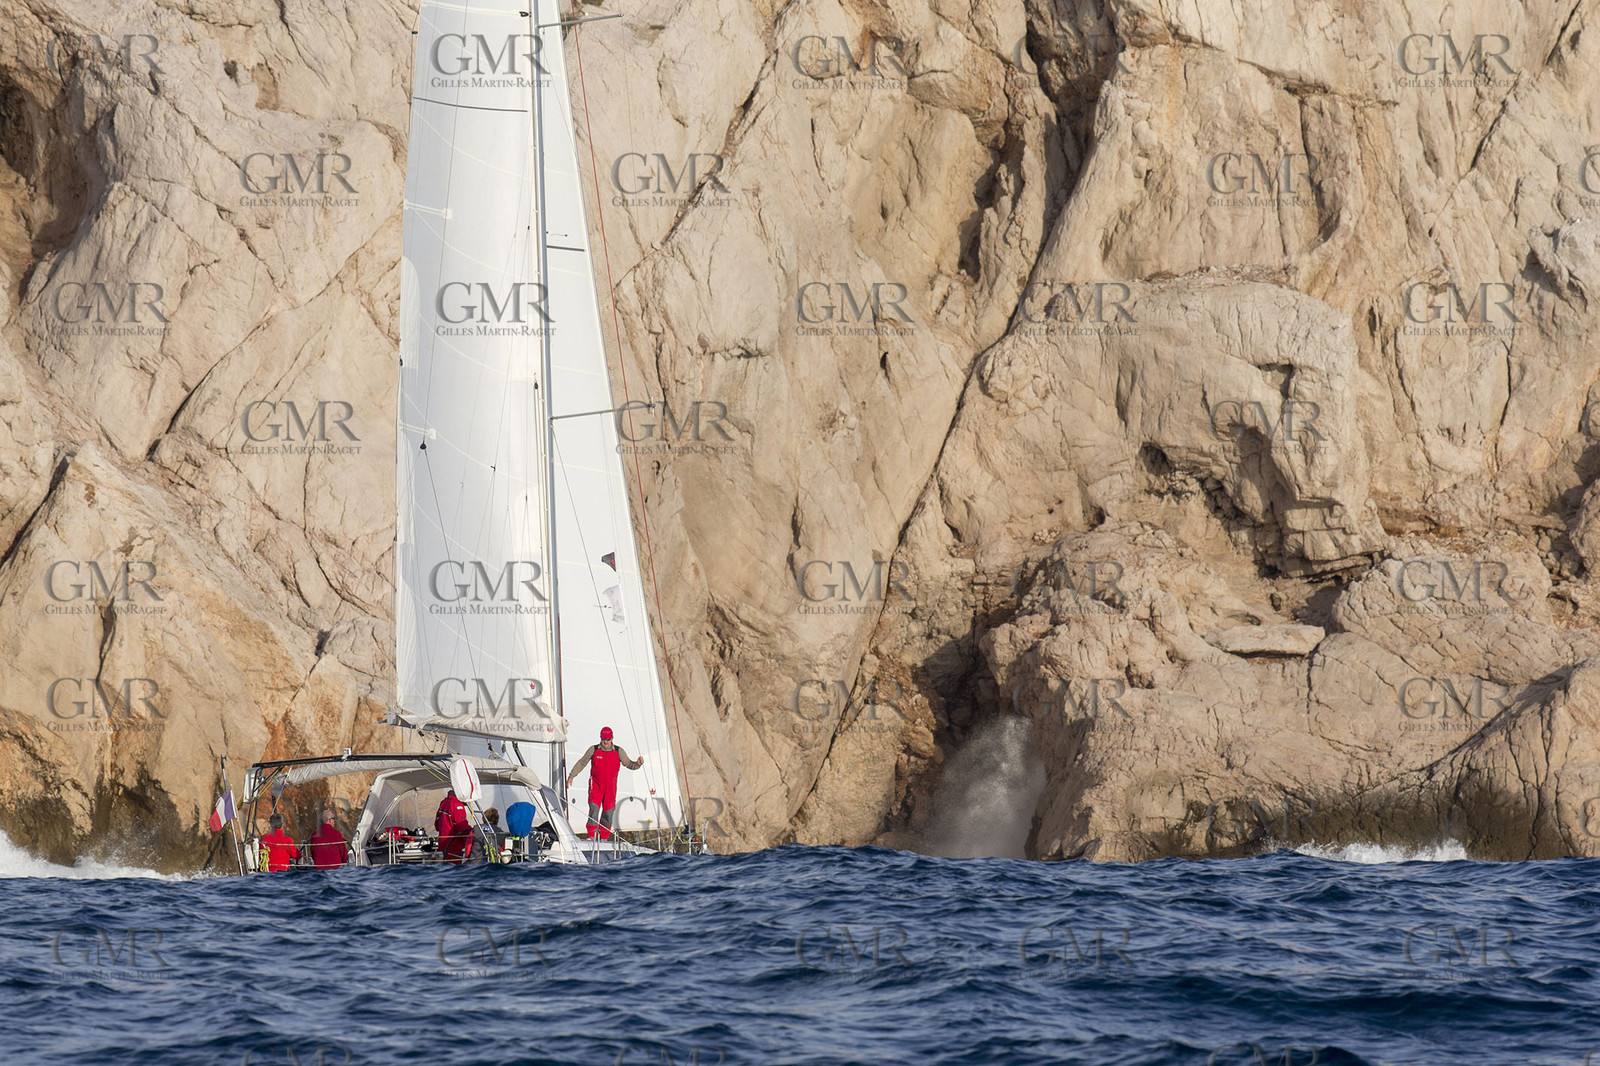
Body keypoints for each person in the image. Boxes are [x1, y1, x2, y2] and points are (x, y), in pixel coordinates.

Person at [566, 726, 642, 840]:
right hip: (596, 785)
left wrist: (638, 764)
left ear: (612, 738)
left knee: (608, 812)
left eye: (608, 739)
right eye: (603, 739)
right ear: (600, 738)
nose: (605, 742)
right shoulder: (594, 749)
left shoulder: (618, 751)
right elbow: (582, 763)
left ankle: (604, 837)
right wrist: (572, 776)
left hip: (610, 788)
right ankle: (591, 836)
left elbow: (629, 764)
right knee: (594, 809)